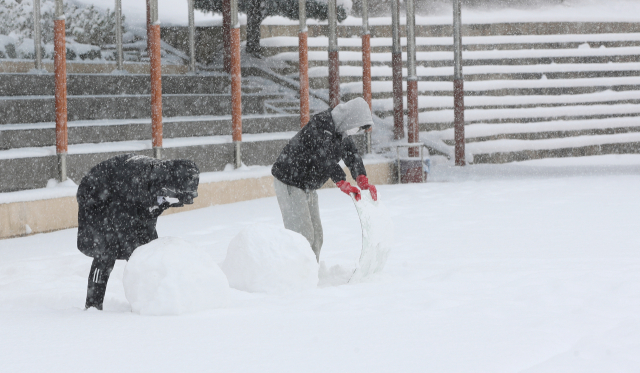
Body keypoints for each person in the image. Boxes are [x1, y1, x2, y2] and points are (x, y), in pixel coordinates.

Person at [76, 154, 199, 310]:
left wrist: (149, 248)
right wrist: (137, 254)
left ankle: (154, 299)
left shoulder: (162, 181)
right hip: (96, 194)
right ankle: (93, 305)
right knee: (106, 248)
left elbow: (149, 215)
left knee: (149, 246)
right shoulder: (136, 180)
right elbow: (124, 221)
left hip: (125, 196)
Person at [271, 97, 378, 262]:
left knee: (317, 236)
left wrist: (361, 178)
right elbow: (322, 156)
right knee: (302, 234)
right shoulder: (322, 124)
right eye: (357, 127)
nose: (354, 132)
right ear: (351, 119)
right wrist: (341, 181)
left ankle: (310, 274)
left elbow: (352, 155)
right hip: (289, 179)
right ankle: (295, 276)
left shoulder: (341, 130)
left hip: (306, 184)